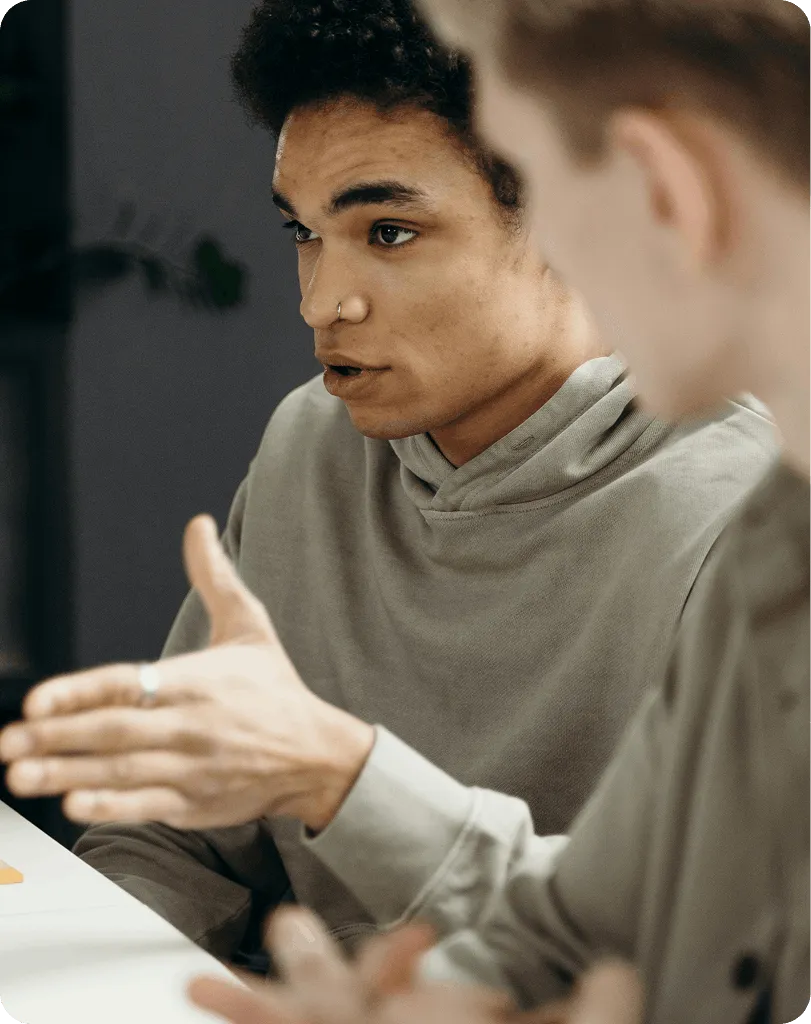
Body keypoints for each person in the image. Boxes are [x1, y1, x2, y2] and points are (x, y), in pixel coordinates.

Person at [0, 0, 775, 983]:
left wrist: (340, 775)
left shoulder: (749, 510)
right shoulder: (311, 442)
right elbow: (173, 837)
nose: (319, 301)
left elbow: (702, 943)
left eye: (390, 232)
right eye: (303, 231)